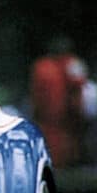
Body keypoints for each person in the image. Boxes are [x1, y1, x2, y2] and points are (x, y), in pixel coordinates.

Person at [30, 38, 90, 166]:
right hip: (63, 112)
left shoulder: (41, 66)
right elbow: (79, 87)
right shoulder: (71, 64)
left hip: (49, 112)